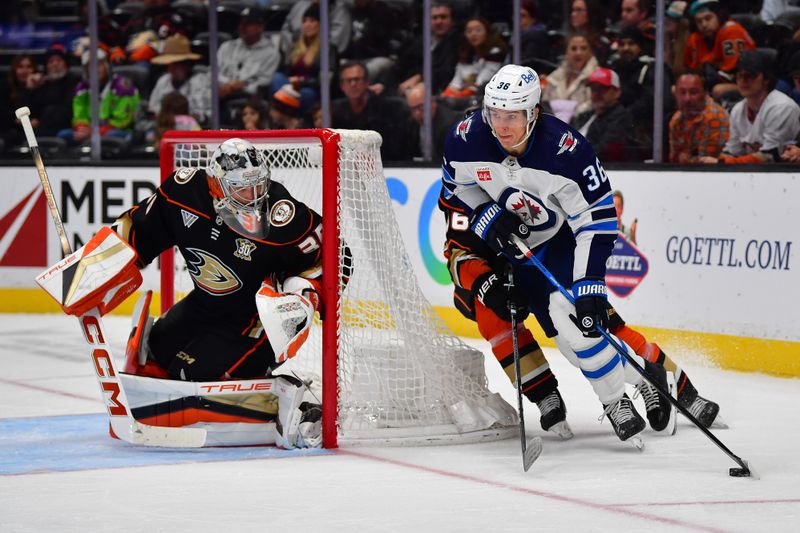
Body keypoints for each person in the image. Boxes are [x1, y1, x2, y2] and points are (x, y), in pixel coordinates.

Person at [43, 138, 326, 448]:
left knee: (191, 373)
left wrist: (305, 294)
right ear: (216, 184)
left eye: (259, 185)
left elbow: (337, 258)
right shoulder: (183, 192)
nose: (253, 196)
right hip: (203, 306)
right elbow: (137, 230)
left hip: (254, 323)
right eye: (242, 188)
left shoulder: (283, 217)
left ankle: (298, 404)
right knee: (154, 352)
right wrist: (88, 272)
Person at [441, 63, 655, 443]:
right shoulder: (466, 137)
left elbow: (599, 220)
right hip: (511, 251)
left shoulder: (567, 149)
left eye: (513, 116)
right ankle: (620, 380)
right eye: (495, 114)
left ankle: (616, 401)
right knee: (557, 339)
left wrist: (590, 283)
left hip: (557, 242)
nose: (502, 125)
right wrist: (488, 215)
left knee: (575, 318)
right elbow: (457, 187)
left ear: (534, 113)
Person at [438, 190, 723, 435]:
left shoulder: (517, 164)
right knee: (497, 323)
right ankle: (545, 396)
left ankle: (679, 389)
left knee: (598, 324)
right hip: (498, 276)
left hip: (541, 261)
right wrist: (488, 284)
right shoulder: (460, 190)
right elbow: (458, 252)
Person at [699, 50, 800, 164]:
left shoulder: (781, 107)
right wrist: (720, 161)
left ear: (766, 79)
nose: (743, 80)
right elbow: (732, 151)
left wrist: (722, 162)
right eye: (739, 75)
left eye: (750, 75)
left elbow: (771, 156)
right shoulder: (737, 109)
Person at [58, 49, 140, 145]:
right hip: (89, 132)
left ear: (107, 66)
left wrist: (96, 132)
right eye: (90, 66)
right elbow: (79, 115)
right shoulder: (82, 88)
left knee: (112, 135)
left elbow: (124, 119)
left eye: (98, 65)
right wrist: (82, 129)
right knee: (63, 134)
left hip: (116, 131)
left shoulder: (123, 86)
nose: (95, 69)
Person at [331, 60, 406, 161]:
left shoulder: (387, 108)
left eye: (357, 79)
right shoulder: (335, 111)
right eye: (348, 80)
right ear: (342, 86)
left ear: (367, 82)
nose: (353, 84)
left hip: (385, 165)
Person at [683, 0, 755, 100]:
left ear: (719, 15)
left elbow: (733, 73)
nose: (704, 25)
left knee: (718, 90)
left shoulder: (731, 30)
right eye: (699, 21)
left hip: (751, 83)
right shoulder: (698, 38)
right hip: (722, 82)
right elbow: (692, 70)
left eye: (708, 18)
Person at [270, 4, 331, 111]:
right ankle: (286, 108)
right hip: (288, 86)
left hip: (307, 89)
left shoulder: (328, 48)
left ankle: (283, 109)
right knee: (277, 78)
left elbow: (326, 79)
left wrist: (301, 82)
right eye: (304, 21)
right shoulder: (294, 46)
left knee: (307, 94)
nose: (307, 25)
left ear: (321, 25)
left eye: (312, 21)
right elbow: (283, 70)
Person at [570, 67, 637, 162]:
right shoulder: (585, 116)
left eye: (603, 89)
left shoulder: (622, 118)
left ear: (617, 92)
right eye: (593, 89)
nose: (597, 93)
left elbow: (606, 150)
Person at [395, 2, 461, 95]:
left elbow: (447, 70)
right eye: (434, 18)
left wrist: (420, 77)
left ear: (453, 20)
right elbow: (401, 65)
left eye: (443, 17)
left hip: (438, 89)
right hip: (408, 86)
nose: (438, 22)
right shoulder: (419, 40)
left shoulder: (458, 41)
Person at [217, 7, 281, 101]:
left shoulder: (271, 54)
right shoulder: (227, 47)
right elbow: (213, 72)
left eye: (248, 24)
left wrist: (240, 86)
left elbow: (264, 83)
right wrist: (229, 84)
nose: (242, 27)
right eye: (241, 23)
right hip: (219, 90)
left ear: (261, 27)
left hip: (247, 96)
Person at [668, 71, 729, 163]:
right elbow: (674, 160)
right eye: (682, 92)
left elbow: (706, 164)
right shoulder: (675, 120)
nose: (687, 99)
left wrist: (685, 158)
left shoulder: (714, 117)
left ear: (705, 93)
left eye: (693, 92)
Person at [148, 34, 210, 124]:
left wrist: (191, 118)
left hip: (191, 131)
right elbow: (152, 109)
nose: (171, 69)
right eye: (170, 65)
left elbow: (209, 114)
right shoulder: (163, 81)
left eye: (176, 65)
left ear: (186, 65)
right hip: (164, 129)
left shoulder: (200, 82)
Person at [440, 17, 507, 100]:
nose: (473, 34)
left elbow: (481, 83)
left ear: (487, 32)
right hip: (464, 97)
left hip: (487, 97)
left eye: (478, 30)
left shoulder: (495, 52)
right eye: (469, 31)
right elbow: (456, 83)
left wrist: (457, 97)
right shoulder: (464, 54)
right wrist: (444, 97)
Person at [541, 34, 599, 124]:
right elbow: (546, 101)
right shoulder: (555, 76)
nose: (578, 53)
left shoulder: (597, 75)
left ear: (590, 52)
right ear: (567, 52)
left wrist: (570, 116)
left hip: (582, 124)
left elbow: (593, 104)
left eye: (583, 48)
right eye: (573, 48)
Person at [26, 45, 80, 137]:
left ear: (66, 64)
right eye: (51, 62)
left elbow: (69, 109)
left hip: (67, 129)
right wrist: (30, 89)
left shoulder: (76, 82)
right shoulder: (41, 85)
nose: (55, 64)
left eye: (59, 60)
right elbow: (32, 112)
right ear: (46, 67)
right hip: (42, 130)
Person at [403, 82, 463, 161]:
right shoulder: (411, 124)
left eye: (420, 107)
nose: (416, 113)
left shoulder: (449, 125)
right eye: (413, 109)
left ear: (432, 102)